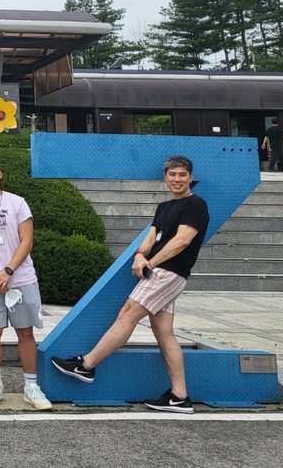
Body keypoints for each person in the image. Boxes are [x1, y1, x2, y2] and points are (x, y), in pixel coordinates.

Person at [51, 155, 209, 414]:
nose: (177, 179)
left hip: (168, 272)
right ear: (165, 177)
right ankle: (180, 397)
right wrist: (139, 255)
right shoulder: (164, 207)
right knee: (164, 332)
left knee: (127, 313)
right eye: (172, 174)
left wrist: (151, 263)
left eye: (182, 175)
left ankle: (86, 365)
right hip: (163, 272)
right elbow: (150, 237)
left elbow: (182, 241)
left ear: (190, 177)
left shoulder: (196, 205)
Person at [0, 153, 52, 411]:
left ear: (0, 173)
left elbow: (27, 240)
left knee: (25, 331)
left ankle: (31, 386)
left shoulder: (17, 203)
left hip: (20, 277)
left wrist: (8, 271)